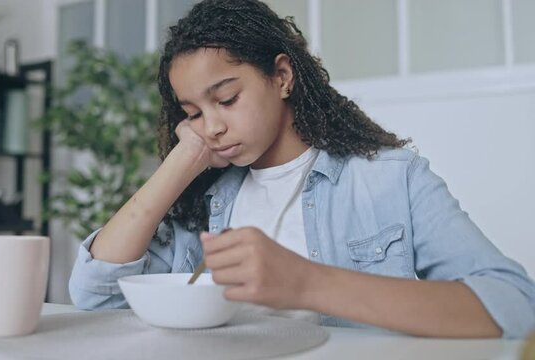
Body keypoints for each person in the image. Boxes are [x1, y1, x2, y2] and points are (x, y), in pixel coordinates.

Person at [69, 0, 535, 338]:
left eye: (227, 99)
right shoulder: (202, 200)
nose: (210, 126)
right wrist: (179, 163)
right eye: (191, 112)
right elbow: (96, 298)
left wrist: (307, 284)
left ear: (282, 77)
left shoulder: (391, 178)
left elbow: (517, 307)